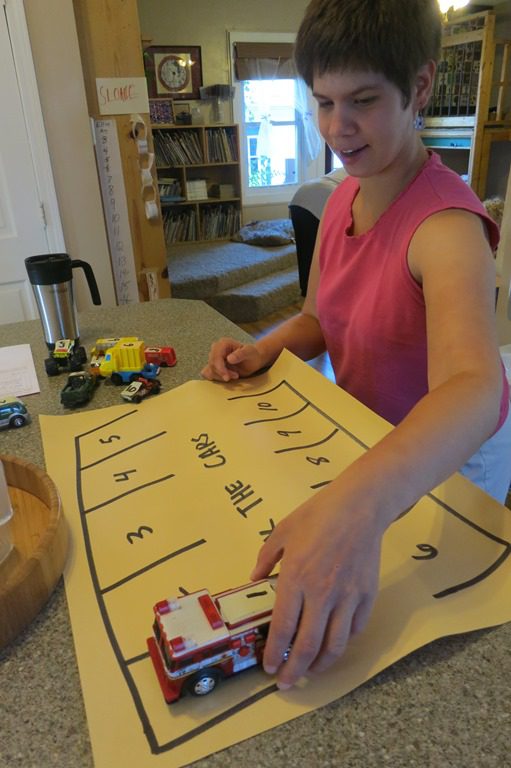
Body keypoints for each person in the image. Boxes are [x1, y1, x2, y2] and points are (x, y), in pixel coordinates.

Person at [202, 0, 511, 693]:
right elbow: (319, 316)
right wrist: (266, 347)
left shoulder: (447, 227)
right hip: (370, 442)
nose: (337, 126)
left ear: (419, 87)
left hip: (447, 460)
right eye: (323, 102)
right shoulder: (343, 195)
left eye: (363, 101)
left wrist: (357, 506)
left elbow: (474, 388)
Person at [289, 167, 347, 294]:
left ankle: (306, 288)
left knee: (305, 249)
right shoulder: (364, 174)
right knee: (330, 251)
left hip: (300, 197)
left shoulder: (343, 170)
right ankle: (322, 291)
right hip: (328, 195)